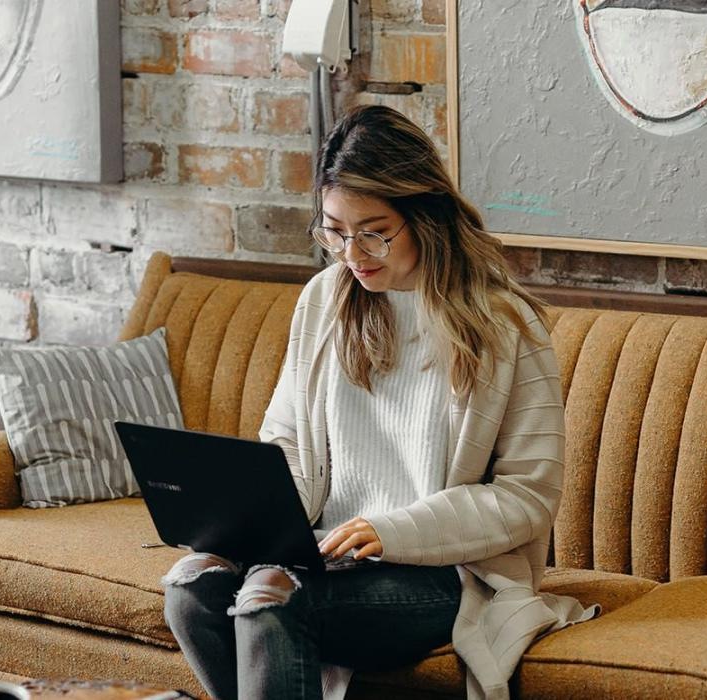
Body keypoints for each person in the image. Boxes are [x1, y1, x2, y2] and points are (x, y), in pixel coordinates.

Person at [160, 105, 594, 700]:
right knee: (191, 589)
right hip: (322, 552)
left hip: (446, 573)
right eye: (334, 231)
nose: (352, 253)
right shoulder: (323, 301)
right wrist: (249, 520)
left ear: (426, 215)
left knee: (271, 597)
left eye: (374, 231)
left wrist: (392, 531)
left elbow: (528, 494)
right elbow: (285, 441)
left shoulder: (503, 324)